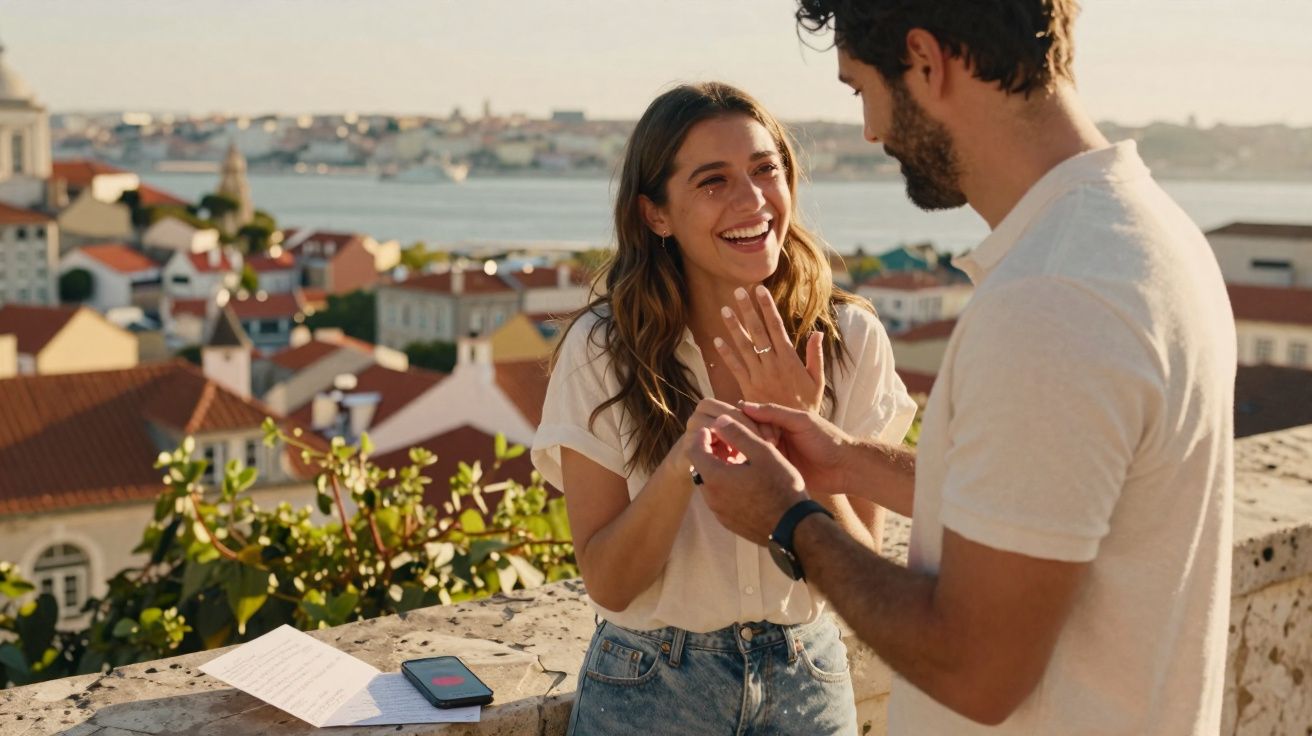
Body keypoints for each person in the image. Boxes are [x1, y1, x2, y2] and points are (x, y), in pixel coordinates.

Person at [689, 1, 1237, 734]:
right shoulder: (1147, 236)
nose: (871, 131)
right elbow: (1048, 502)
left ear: (925, 60)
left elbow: (976, 670)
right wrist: (849, 461)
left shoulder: (1051, 299)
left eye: (861, 90)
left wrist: (788, 519)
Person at [531, 82, 916, 735]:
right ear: (656, 214)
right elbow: (609, 585)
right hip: (648, 688)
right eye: (714, 181)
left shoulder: (849, 339)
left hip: (808, 683)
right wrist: (687, 459)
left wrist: (809, 445)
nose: (753, 199)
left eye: (766, 169)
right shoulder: (601, 349)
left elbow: (856, 573)